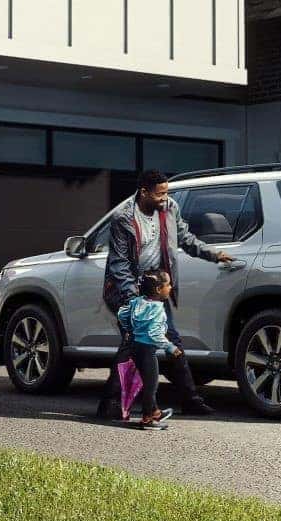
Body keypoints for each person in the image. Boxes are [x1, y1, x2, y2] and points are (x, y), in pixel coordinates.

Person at [97, 169, 234, 418]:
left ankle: (188, 400)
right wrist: (133, 299)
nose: (165, 198)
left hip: (155, 287)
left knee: (166, 339)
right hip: (127, 290)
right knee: (135, 343)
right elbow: (119, 265)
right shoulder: (123, 217)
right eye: (160, 194)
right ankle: (112, 403)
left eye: (166, 193)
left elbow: (185, 238)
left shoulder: (169, 207)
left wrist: (213, 254)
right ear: (144, 192)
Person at [118, 270, 180, 429]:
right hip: (147, 351)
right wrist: (170, 347)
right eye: (168, 284)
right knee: (151, 385)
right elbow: (154, 334)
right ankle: (147, 419)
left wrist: (129, 330)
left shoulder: (137, 302)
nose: (171, 287)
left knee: (147, 382)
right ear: (159, 289)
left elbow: (122, 314)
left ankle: (156, 412)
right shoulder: (157, 309)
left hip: (135, 347)